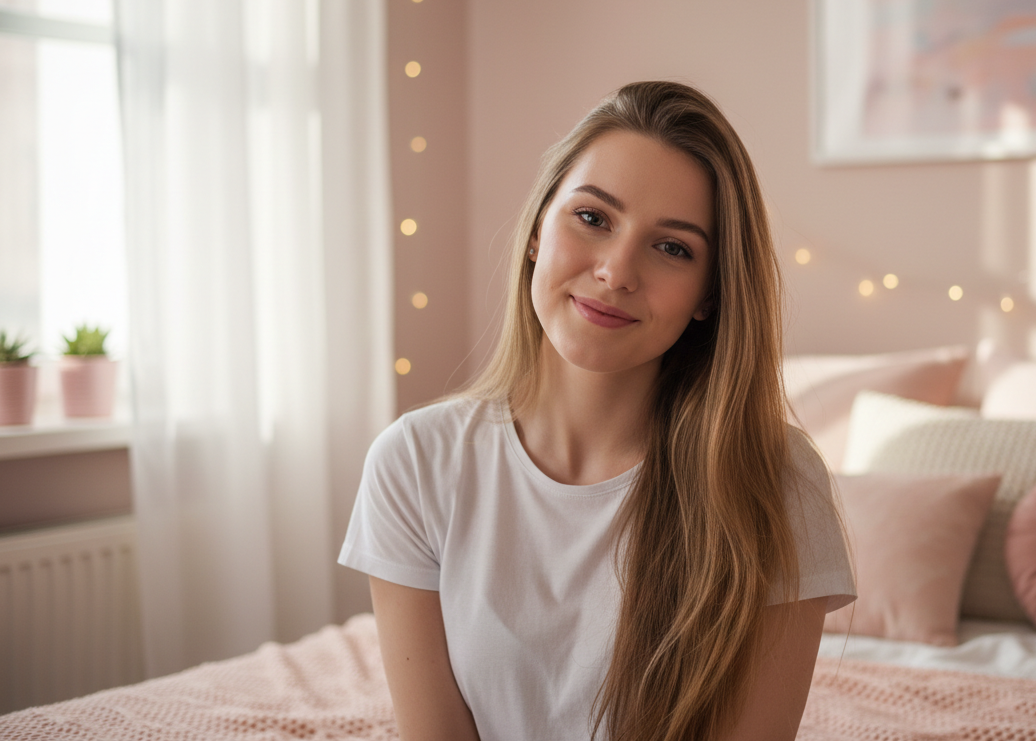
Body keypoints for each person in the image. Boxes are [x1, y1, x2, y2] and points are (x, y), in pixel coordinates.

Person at [338, 80, 855, 741]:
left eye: (672, 248)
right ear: (535, 232)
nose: (615, 271)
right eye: (592, 218)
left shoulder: (773, 478)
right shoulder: (414, 462)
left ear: (709, 295)